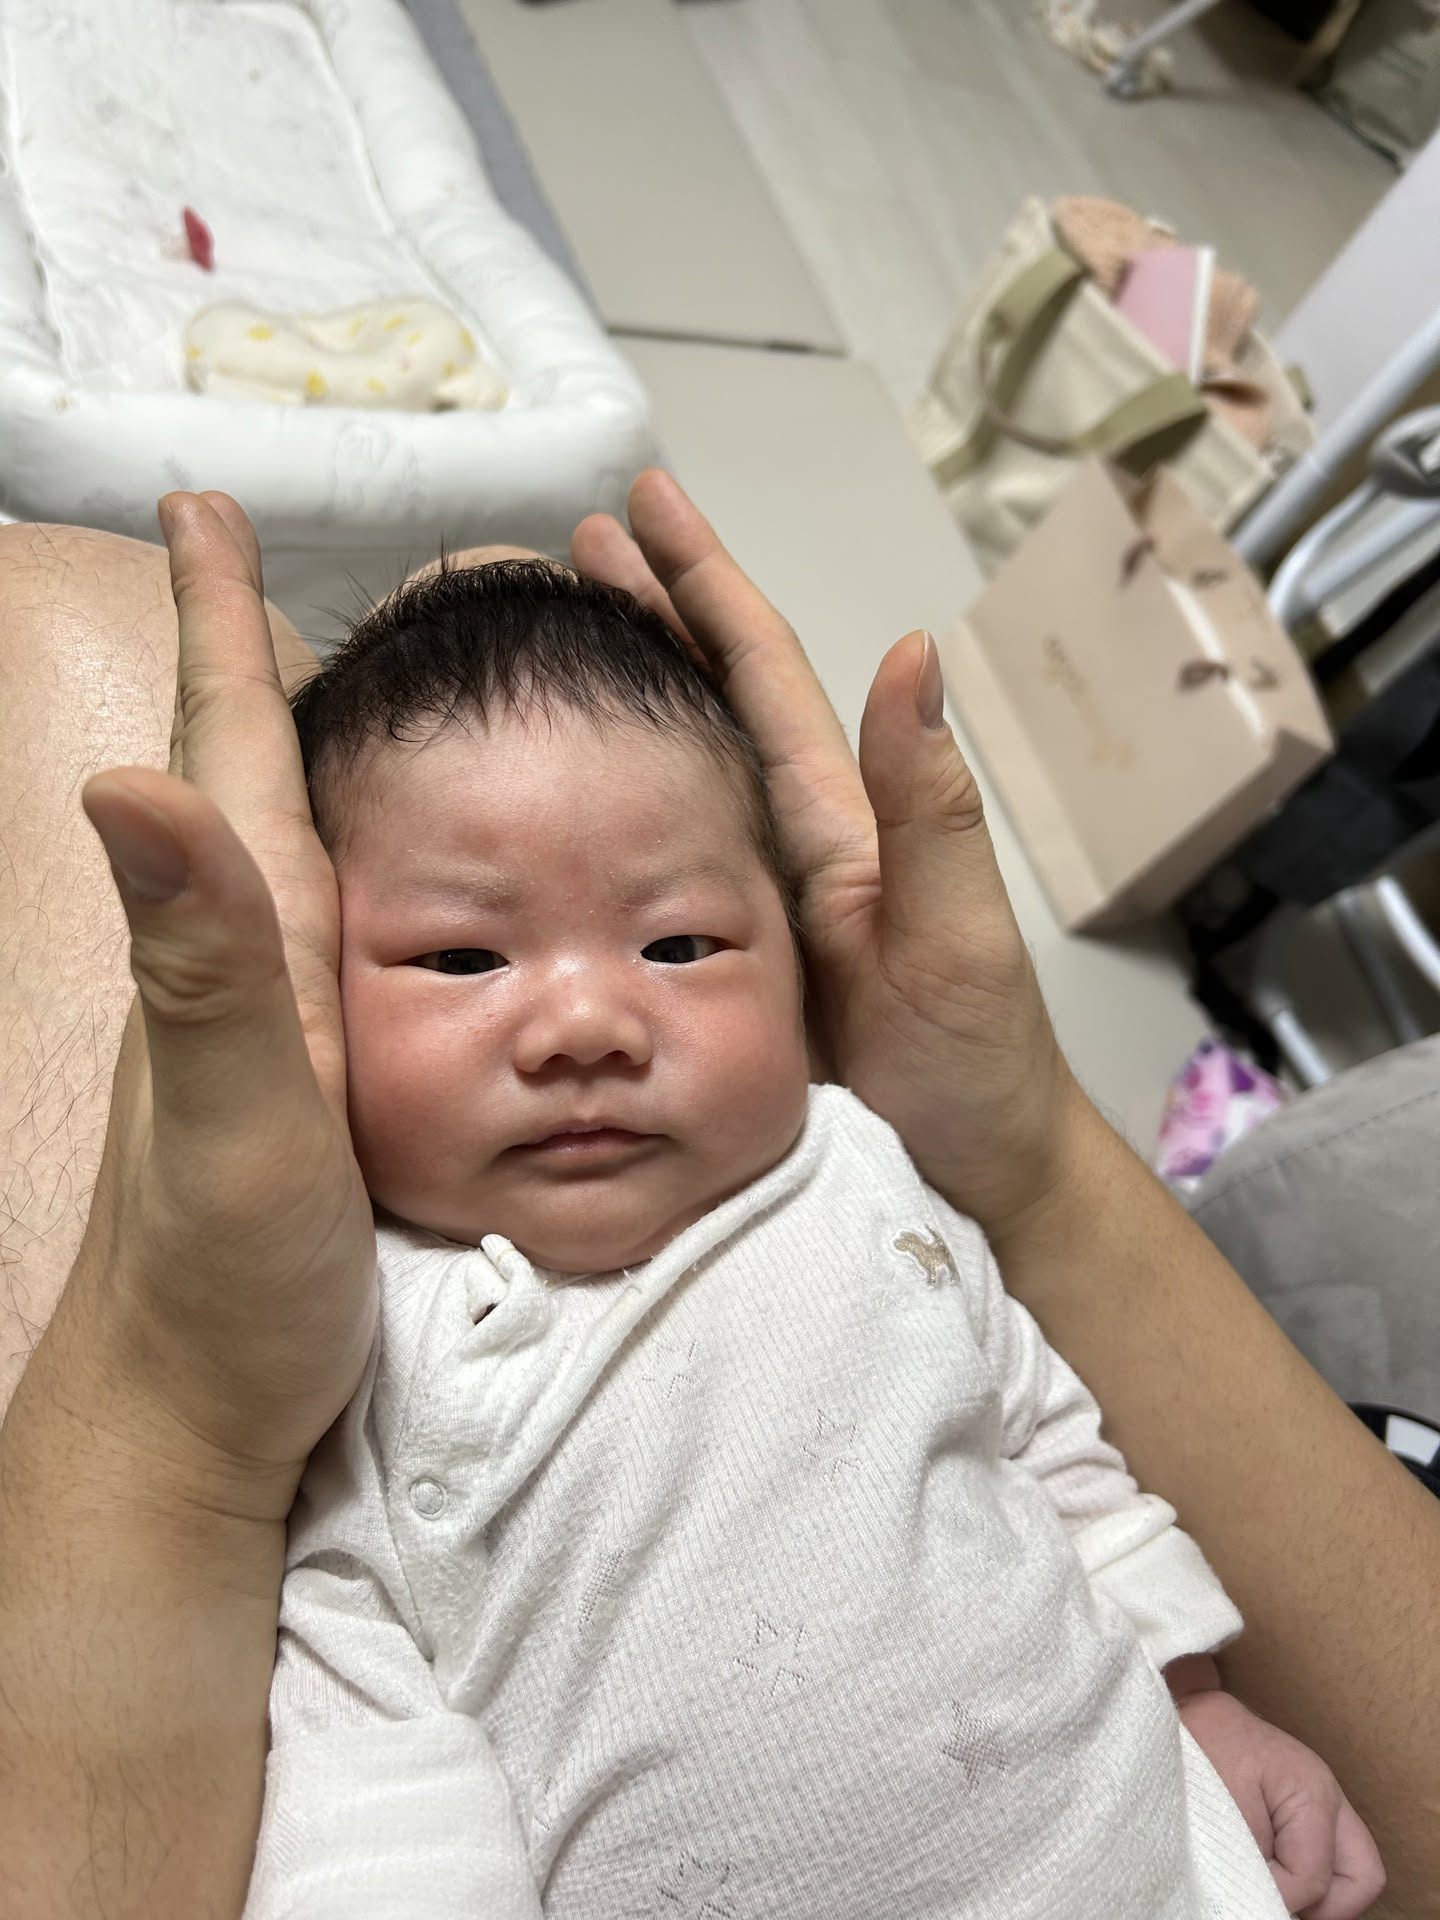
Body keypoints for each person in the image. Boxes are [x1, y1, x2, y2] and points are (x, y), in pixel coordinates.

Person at [0, 476, 1435, 1920]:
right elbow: (365, 1761)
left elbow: (1048, 1444)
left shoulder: (860, 1171)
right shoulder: (366, 1351)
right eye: (463, 958)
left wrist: (1199, 1699)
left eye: (680, 946)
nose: (586, 1026)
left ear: (801, 960)